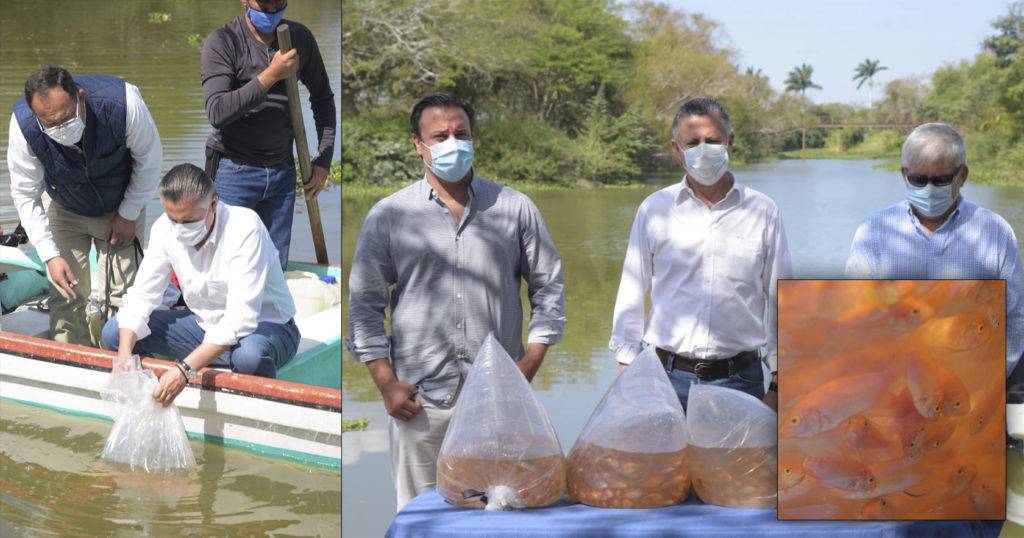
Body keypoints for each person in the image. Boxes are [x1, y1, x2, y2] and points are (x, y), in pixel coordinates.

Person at [347, 93, 566, 511]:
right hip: (421, 401)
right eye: (440, 135)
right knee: (421, 516)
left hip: (500, 400)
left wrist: (528, 365)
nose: (453, 142)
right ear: (418, 144)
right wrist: (386, 384)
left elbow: (549, 290)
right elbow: (364, 305)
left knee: (505, 512)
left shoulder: (515, 208)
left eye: (461, 134)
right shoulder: (390, 215)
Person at [609, 97, 791, 412]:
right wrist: (628, 370)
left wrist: (779, 384)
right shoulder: (655, 210)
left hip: (742, 381)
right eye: (692, 142)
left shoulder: (763, 211)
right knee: (669, 463)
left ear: (730, 144)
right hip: (666, 378)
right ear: (676, 148)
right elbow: (631, 291)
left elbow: (782, 300)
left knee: (737, 465)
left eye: (713, 141)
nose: (703, 150)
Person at [101, 163, 300, 406]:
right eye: (173, 219)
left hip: (266, 329)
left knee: (248, 357)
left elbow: (240, 319)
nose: (180, 229)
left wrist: (185, 371)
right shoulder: (164, 228)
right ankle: (150, 397)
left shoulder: (244, 227)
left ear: (213, 204)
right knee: (115, 333)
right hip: (204, 327)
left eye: (190, 221)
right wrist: (124, 357)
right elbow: (142, 296)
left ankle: (260, 409)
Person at [846, 122, 1024, 379]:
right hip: (897, 384)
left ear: (962, 176)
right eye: (918, 179)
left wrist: (990, 377)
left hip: (977, 381)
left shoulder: (994, 232)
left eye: (940, 180)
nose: (928, 189)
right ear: (904, 174)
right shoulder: (874, 231)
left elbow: (1015, 316)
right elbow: (859, 310)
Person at [8, 65, 162, 346]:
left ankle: (117, 359)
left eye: (65, 118)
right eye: (48, 123)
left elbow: (150, 162)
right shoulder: (23, 124)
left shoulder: (123, 103)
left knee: (121, 294)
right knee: (65, 294)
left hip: (120, 204)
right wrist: (49, 255)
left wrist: (128, 213)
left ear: (80, 96)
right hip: (63, 205)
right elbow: (24, 193)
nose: (58, 127)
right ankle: (70, 359)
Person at [201, 0, 337, 268]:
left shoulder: (299, 38)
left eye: (278, 3)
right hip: (233, 170)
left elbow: (322, 98)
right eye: (264, 3)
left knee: (274, 269)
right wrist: (271, 75)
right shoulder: (223, 41)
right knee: (225, 266)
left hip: (281, 172)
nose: (272, 10)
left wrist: (324, 158)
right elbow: (217, 112)